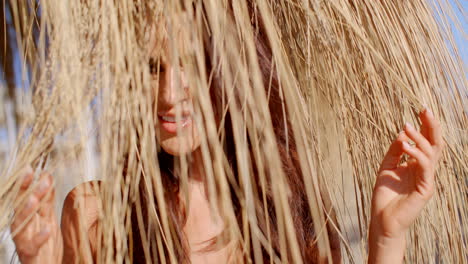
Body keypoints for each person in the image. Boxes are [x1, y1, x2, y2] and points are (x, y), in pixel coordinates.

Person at [9, 4, 444, 264]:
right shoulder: (95, 215)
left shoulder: (291, 219)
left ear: (240, 75)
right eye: (152, 67)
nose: (168, 94)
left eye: (194, 68)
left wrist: (387, 237)